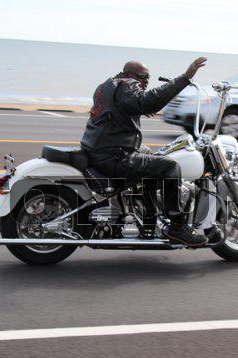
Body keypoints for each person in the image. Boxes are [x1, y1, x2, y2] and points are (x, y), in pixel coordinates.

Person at [80, 57, 208, 246]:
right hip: (114, 155)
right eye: (143, 77)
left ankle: (149, 216)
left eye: (148, 77)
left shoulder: (106, 85)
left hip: (99, 150)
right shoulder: (126, 85)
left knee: (150, 155)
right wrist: (185, 77)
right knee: (170, 167)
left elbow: (118, 108)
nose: (147, 81)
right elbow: (147, 101)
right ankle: (177, 227)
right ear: (130, 75)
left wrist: (138, 108)